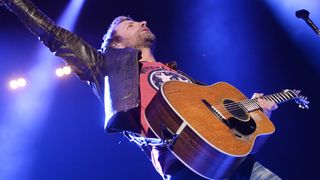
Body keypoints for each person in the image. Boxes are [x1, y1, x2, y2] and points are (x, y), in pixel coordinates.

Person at [1, 0, 280, 179]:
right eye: (132, 25)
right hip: (187, 166)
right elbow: (54, 35)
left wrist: (253, 111)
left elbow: (215, 117)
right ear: (117, 44)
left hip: (237, 162)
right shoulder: (105, 67)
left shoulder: (176, 72)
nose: (143, 22)